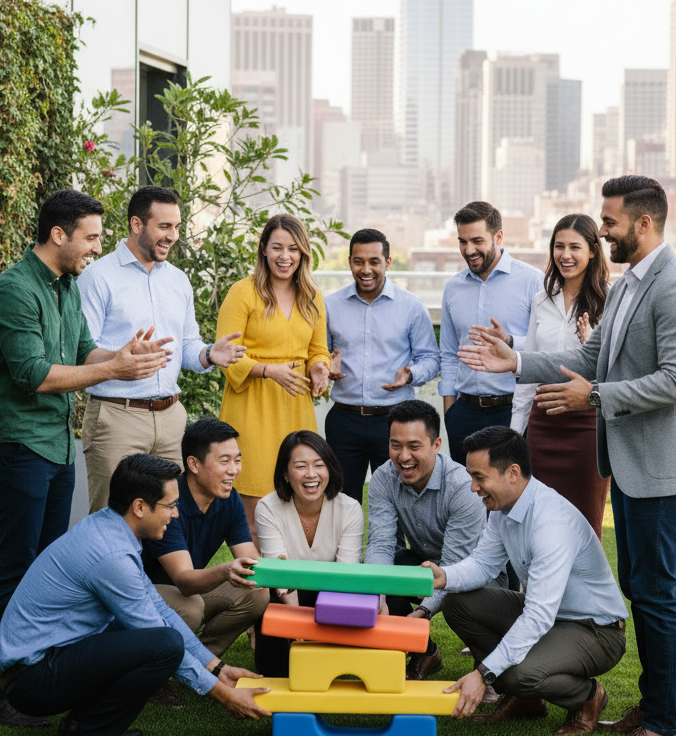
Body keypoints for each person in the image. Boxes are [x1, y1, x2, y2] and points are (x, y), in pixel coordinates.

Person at [459, 175, 676, 736]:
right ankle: (655, 705)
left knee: (654, 591)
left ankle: (665, 725)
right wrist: (517, 361)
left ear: (644, 224)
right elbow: (590, 356)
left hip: (663, 468)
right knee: (640, 585)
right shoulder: (631, 283)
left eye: (610, 223)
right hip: (628, 463)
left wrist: (594, 397)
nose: (601, 231)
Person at [0, 189, 174, 728]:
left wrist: (123, 355)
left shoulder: (65, 286)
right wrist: (114, 373)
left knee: (43, 566)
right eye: (89, 237)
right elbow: (34, 375)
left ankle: (32, 670)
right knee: (13, 565)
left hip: (56, 444)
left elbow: (85, 350)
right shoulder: (13, 291)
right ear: (58, 235)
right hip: (17, 444)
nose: (95, 247)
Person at [0, 453, 272, 736]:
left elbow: (159, 610)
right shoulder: (110, 555)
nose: (176, 515)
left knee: (160, 633)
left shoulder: (111, 529)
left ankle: (83, 725)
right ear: (139, 507)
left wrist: (217, 667)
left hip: (49, 659)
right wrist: (224, 696)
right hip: (30, 679)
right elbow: (158, 635)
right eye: (170, 506)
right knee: (162, 645)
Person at [434, 427, 627, 733]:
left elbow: (537, 616)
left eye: (479, 477)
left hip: (596, 631)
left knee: (516, 673)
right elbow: (484, 564)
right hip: (551, 615)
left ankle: (588, 696)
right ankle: (525, 700)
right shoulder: (503, 506)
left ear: (513, 473)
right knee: (458, 603)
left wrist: (483, 672)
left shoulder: (551, 523)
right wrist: (444, 576)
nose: (473, 487)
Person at [77, 185, 246, 514]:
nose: (173, 236)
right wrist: (120, 359)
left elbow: (186, 346)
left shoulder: (179, 280)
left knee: (169, 520)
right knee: (113, 517)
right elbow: (81, 353)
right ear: (137, 225)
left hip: (171, 420)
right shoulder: (98, 277)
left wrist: (209, 354)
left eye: (177, 227)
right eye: (164, 227)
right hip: (117, 416)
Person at [215, 213, 331, 542]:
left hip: (295, 406)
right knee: (253, 499)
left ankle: (291, 588)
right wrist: (268, 370)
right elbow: (227, 354)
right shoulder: (243, 292)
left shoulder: (312, 296)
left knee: (298, 497)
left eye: (293, 249)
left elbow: (318, 349)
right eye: (277, 247)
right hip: (252, 404)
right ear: (263, 249)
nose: (285, 256)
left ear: (303, 253)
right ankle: (257, 590)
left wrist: (319, 367)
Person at [140, 417, 269, 706]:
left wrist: (275, 573)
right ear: (194, 464)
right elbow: (184, 581)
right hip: (146, 596)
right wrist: (226, 570)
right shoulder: (169, 500)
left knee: (258, 593)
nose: (233, 470)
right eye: (224, 461)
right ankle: (156, 671)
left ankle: (199, 664)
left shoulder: (229, 499)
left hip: (186, 593)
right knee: (191, 604)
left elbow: (251, 562)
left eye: (237, 460)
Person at [364, 399, 488, 679]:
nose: (403, 456)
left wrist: (424, 610)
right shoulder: (384, 477)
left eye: (414, 446)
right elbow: (381, 543)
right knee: (388, 570)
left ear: (436, 445)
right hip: (424, 566)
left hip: (475, 572)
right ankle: (425, 653)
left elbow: (457, 563)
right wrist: (377, 595)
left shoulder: (462, 486)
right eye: (395, 445)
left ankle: (488, 667)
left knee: (463, 602)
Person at [511, 214, 611, 539]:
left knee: (586, 525)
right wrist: (516, 434)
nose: (565, 255)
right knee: (541, 524)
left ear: (593, 251)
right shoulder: (542, 298)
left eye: (574, 247)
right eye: (559, 246)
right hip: (543, 425)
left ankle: (585, 591)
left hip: (586, 427)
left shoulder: (612, 300)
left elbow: (619, 372)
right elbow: (530, 367)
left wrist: (592, 345)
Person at [324, 228, 440, 504]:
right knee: (340, 505)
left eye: (374, 261)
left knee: (398, 503)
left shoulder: (411, 306)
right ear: (350, 262)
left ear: (387, 262)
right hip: (344, 421)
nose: (366, 269)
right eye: (358, 261)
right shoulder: (329, 306)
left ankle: (397, 550)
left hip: (394, 424)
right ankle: (343, 550)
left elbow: (431, 360)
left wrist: (411, 374)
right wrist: (325, 365)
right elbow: (319, 354)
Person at [253, 430, 364, 675]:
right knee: (277, 669)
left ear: (330, 469)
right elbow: (280, 576)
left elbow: (346, 575)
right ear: (285, 473)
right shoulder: (267, 508)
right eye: (300, 466)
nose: (311, 474)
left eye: (319, 465)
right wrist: (298, 634)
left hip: (333, 592)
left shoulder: (349, 508)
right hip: (286, 595)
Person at [439, 201, 543, 463]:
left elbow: (546, 349)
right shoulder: (452, 288)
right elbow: (450, 354)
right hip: (464, 413)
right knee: (466, 496)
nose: (469, 250)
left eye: (477, 240)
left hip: (513, 411)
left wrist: (509, 341)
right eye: (462, 241)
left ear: (498, 236)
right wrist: (450, 410)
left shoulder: (533, 282)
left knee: (512, 496)